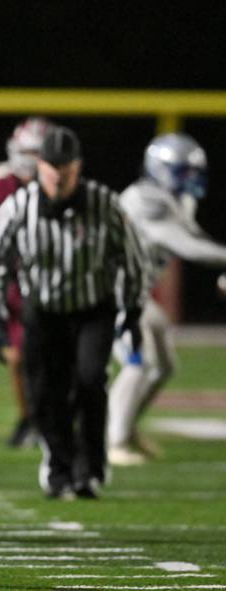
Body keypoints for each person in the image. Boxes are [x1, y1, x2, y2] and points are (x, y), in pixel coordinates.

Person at [0, 126, 146, 499]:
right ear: (39, 167)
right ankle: (58, 463)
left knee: (88, 383)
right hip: (44, 311)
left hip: (92, 310)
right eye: (51, 167)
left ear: (78, 168)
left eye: (65, 168)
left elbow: (132, 261)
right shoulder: (19, 207)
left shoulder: (104, 204)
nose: (58, 176)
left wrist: (132, 313)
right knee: (43, 394)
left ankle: (90, 468)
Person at [107, 133, 226, 465]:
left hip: (135, 294)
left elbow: (194, 239)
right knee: (138, 362)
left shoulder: (176, 200)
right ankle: (115, 442)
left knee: (164, 365)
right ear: (160, 170)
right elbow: (184, 245)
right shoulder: (145, 199)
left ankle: (127, 429)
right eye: (184, 171)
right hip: (109, 292)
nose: (192, 179)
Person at [0, 117, 52, 447]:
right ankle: (27, 418)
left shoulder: (60, 181)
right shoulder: (0, 182)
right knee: (17, 356)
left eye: (39, 151)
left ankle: (51, 417)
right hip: (15, 281)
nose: (33, 159)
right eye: (28, 151)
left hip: (52, 280)